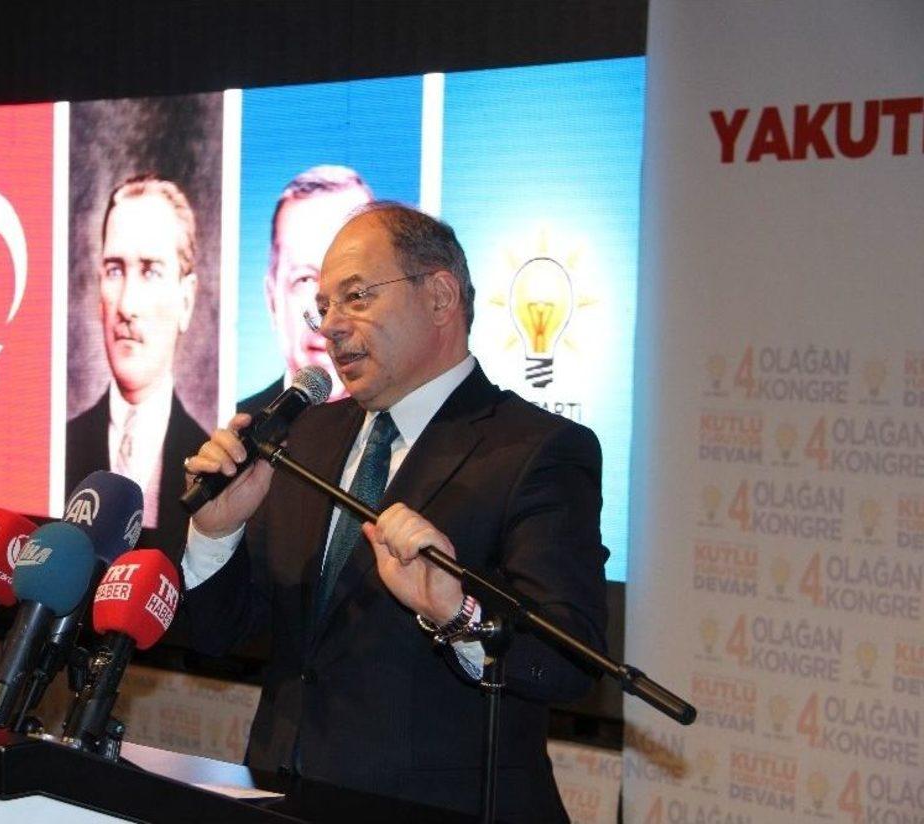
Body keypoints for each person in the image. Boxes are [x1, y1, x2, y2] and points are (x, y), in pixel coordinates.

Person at [182, 202, 609, 821]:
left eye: (356, 297)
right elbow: (217, 636)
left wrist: (456, 612)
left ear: (439, 297)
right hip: (283, 799)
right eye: (323, 306)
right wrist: (215, 533)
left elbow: (570, 661)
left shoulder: (536, 450)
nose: (331, 326)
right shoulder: (304, 439)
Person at [66, 174, 208, 558]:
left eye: (150, 270)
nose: (127, 305)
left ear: (186, 299)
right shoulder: (62, 445)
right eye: (114, 270)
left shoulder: (212, 458)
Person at [238, 166, 373, 416]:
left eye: (351, 284)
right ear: (272, 300)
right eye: (304, 279)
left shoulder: (414, 428)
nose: (327, 317)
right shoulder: (238, 429)